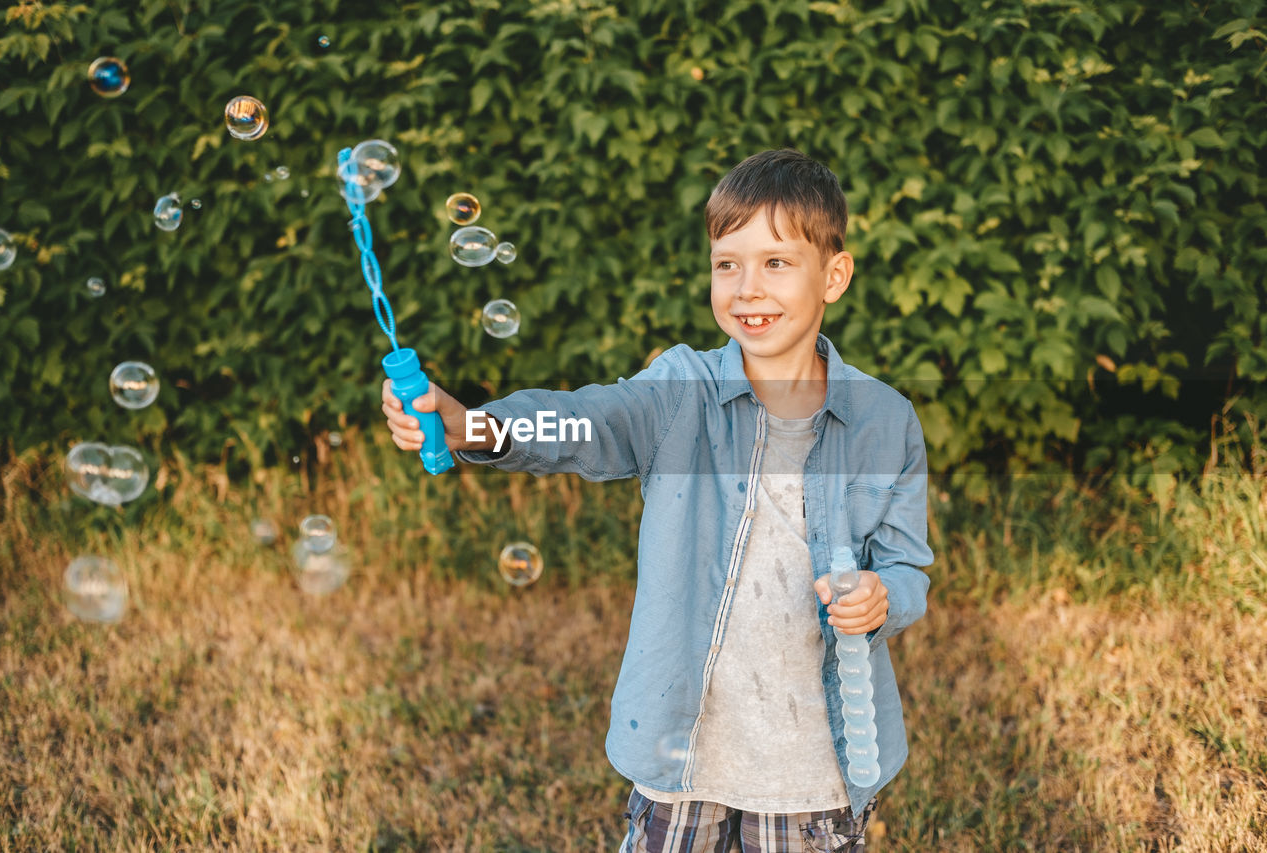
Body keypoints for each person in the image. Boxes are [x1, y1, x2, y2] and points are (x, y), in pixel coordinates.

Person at [382, 149, 933, 853]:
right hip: (684, 752)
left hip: (813, 765)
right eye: (726, 263)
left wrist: (884, 596)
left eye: (775, 262)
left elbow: (909, 567)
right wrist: (468, 422)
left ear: (834, 275)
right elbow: (585, 422)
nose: (746, 287)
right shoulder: (681, 391)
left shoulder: (885, 419)